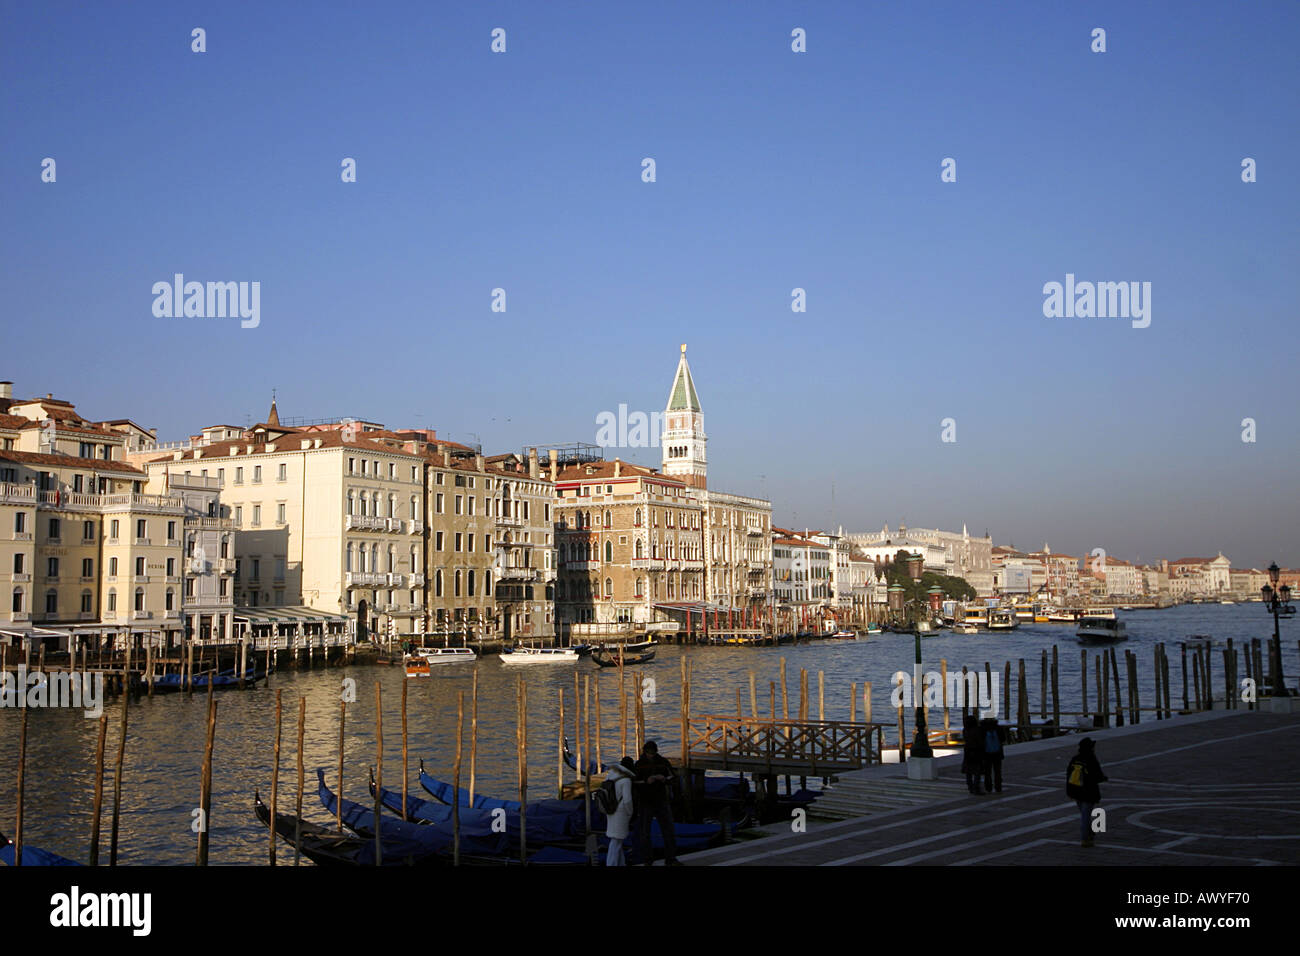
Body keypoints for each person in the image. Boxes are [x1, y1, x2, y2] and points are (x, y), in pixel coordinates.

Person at [633, 740, 680, 865]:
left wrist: (664, 779)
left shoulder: (663, 762)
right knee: (645, 833)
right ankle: (648, 860)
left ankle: (671, 858)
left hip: (661, 799)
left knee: (668, 830)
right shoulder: (639, 764)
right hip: (645, 801)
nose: (651, 755)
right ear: (645, 752)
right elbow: (634, 782)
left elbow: (674, 777)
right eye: (649, 753)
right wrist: (646, 781)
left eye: (653, 753)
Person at [1066, 737, 1107, 847]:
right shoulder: (1091, 759)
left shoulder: (1075, 759)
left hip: (1076, 790)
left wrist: (1069, 791)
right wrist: (1104, 778)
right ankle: (1085, 839)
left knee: (1085, 814)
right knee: (1085, 816)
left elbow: (1068, 775)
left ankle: (1090, 833)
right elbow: (1097, 775)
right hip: (1088, 792)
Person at [604, 756, 636, 866]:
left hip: (610, 810)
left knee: (617, 840)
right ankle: (611, 864)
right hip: (621, 813)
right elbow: (627, 800)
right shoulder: (626, 780)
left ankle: (621, 863)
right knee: (616, 842)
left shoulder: (610, 775)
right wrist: (630, 812)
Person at [980, 717, 1005, 793]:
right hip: (997, 753)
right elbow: (1003, 739)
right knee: (997, 771)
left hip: (986, 753)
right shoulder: (998, 728)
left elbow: (980, 741)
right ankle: (998, 787)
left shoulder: (982, 729)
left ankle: (988, 787)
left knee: (987, 771)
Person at [961, 715, 985, 794]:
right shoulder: (977, 730)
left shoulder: (965, 730)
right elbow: (980, 741)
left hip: (968, 751)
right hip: (976, 751)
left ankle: (970, 786)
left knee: (969, 770)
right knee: (977, 770)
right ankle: (976, 787)